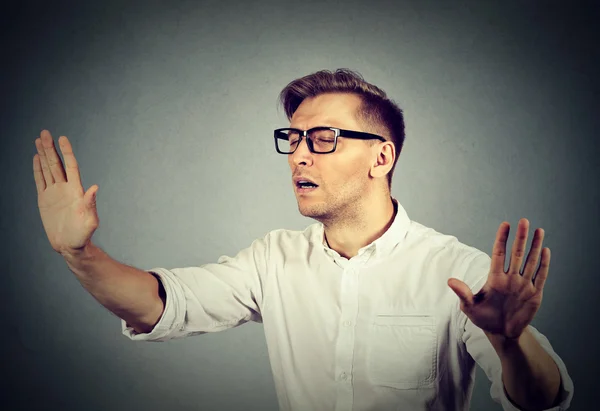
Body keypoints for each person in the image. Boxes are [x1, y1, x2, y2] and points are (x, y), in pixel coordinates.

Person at [33, 69, 574, 411]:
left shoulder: (458, 271)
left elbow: (542, 400)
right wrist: (79, 254)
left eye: (323, 139)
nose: (298, 155)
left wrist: (508, 341)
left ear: (381, 157)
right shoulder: (273, 260)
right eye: (292, 139)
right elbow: (159, 304)